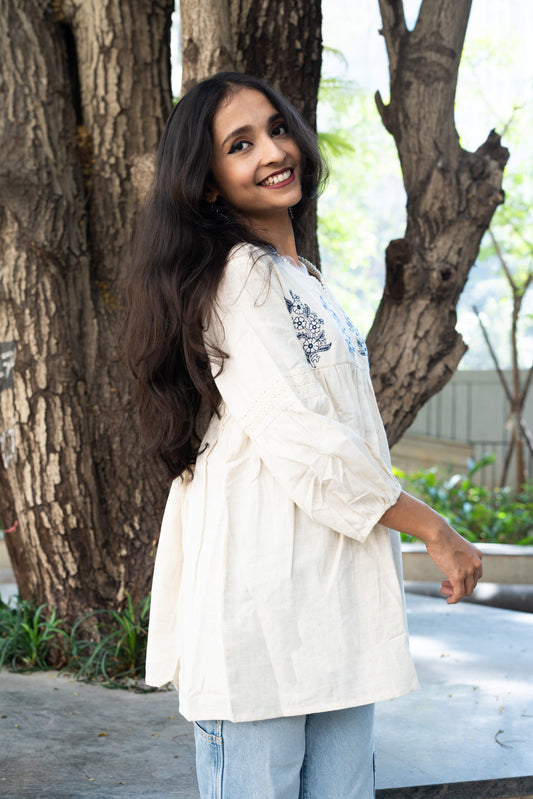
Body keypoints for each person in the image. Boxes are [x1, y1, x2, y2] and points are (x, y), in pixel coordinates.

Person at [122, 72, 483, 799]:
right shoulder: (237, 277)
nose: (272, 150)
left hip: (333, 602)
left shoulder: (299, 276)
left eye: (275, 129)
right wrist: (430, 526)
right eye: (240, 143)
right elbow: (299, 439)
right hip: (256, 608)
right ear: (210, 183)